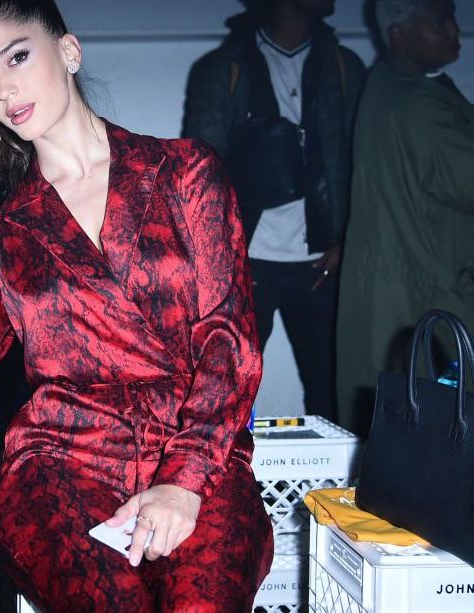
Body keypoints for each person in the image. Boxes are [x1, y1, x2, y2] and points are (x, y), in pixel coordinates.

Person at [0, 0, 274, 610]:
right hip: (61, 462)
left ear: (69, 52)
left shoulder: (185, 172)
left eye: (17, 57)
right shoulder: (1, 227)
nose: (3, 90)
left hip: (196, 449)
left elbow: (229, 341)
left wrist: (184, 479)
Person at [183, 0, 366, 423]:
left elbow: (366, 161)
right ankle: (230, 468)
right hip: (248, 261)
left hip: (322, 262)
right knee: (226, 394)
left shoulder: (342, 65)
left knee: (331, 395)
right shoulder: (225, 67)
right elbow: (198, 171)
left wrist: (349, 240)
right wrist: (220, 257)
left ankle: (330, 471)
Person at [337, 0, 472, 435]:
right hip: (425, 290)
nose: (453, 30)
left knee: (400, 427)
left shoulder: (389, 85)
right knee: (436, 427)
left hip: (398, 287)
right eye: (439, 21)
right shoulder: (415, 101)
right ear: (398, 34)